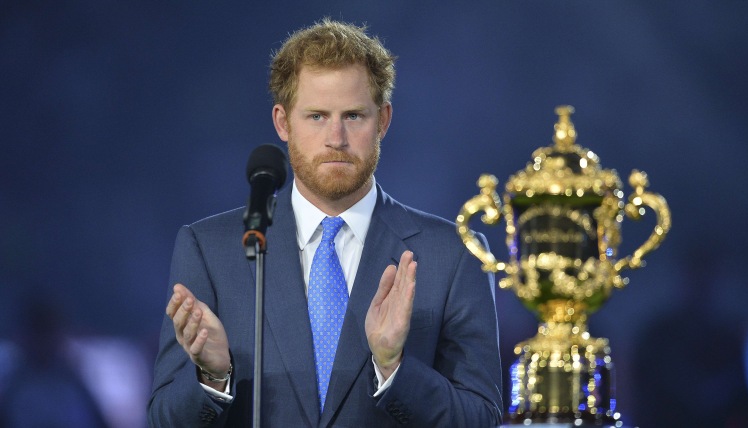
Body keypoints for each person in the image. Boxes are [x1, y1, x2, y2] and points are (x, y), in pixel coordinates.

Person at [148, 18, 503, 427]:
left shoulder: (454, 255)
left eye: (353, 116)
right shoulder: (210, 250)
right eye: (316, 116)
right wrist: (212, 376)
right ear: (283, 122)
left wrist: (394, 369)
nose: (336, 137)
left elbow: (482, 420)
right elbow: (161, 420)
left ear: (383, 120)